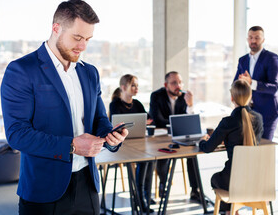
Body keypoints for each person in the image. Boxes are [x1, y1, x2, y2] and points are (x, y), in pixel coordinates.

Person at [0, 0, 128, 215]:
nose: (83, 46)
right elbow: (17, 135)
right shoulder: (22, 70)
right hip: (43, 191)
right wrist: (72, 146)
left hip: (88, 186)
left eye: (88, 39)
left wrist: (110, 136)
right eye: (77, 37)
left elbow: (99, 119)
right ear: (56, 28)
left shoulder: (90, 72)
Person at [199, 79, 263, 214]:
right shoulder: (258, 119)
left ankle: (229, 212)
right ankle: (233, 212)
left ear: (232, 98)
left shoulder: (228, 122)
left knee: (215, 179)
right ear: (250, 96)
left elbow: (207, 148)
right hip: (255, 180)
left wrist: (202, 140)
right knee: (226, 179)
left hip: (232, 180)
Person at [149, 71, 200, 202]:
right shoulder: (156, 96)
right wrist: (177, 124)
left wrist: (190, 105)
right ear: (166, 85)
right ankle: (163, 185)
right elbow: (157, 119)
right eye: (174, 83)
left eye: (180, 82)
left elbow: (188, 120)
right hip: (161, 137)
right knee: (163, 155)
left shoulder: (184, 97)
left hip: (179, 136)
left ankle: (195, 190)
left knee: (192, 154)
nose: (178, 85)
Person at [109, 74, 154, 213]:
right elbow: (115, 124)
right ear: (123, 87)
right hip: (122, 145)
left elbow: (150, 119)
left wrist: (145, 121)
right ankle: (140, 199)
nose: (136, 88)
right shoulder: (115, 104)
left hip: (138, 141)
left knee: (150, 159)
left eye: (137, 85)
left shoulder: (138, 103)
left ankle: (145, 196)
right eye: (133, 85)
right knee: (143, 160)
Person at [234, 26, 278, 141]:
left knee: (264, 148)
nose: (253, 41)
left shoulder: (271, 58)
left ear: (263, 40)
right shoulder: (243, 60)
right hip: (248, 112)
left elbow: (274, 87)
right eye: (250, 37)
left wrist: (251, 83)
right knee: (249, 147)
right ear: (247, 39)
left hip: (267, 112)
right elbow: (235, 83)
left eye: (257, 38)